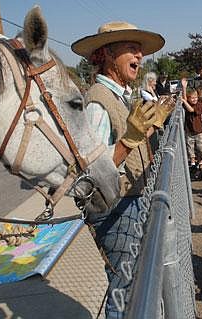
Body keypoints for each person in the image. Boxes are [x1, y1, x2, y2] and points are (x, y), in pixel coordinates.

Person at [71, 21, 174, 317]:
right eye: (131, 48)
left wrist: (150, 129)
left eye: (140, 50)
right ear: (106, 54)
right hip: (115, 210)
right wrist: (129, 140)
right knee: (124, 290)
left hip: (129, 204)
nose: (140, 56)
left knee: (130, 285)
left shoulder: (119, 96)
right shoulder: (98, 102)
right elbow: (90, 175)